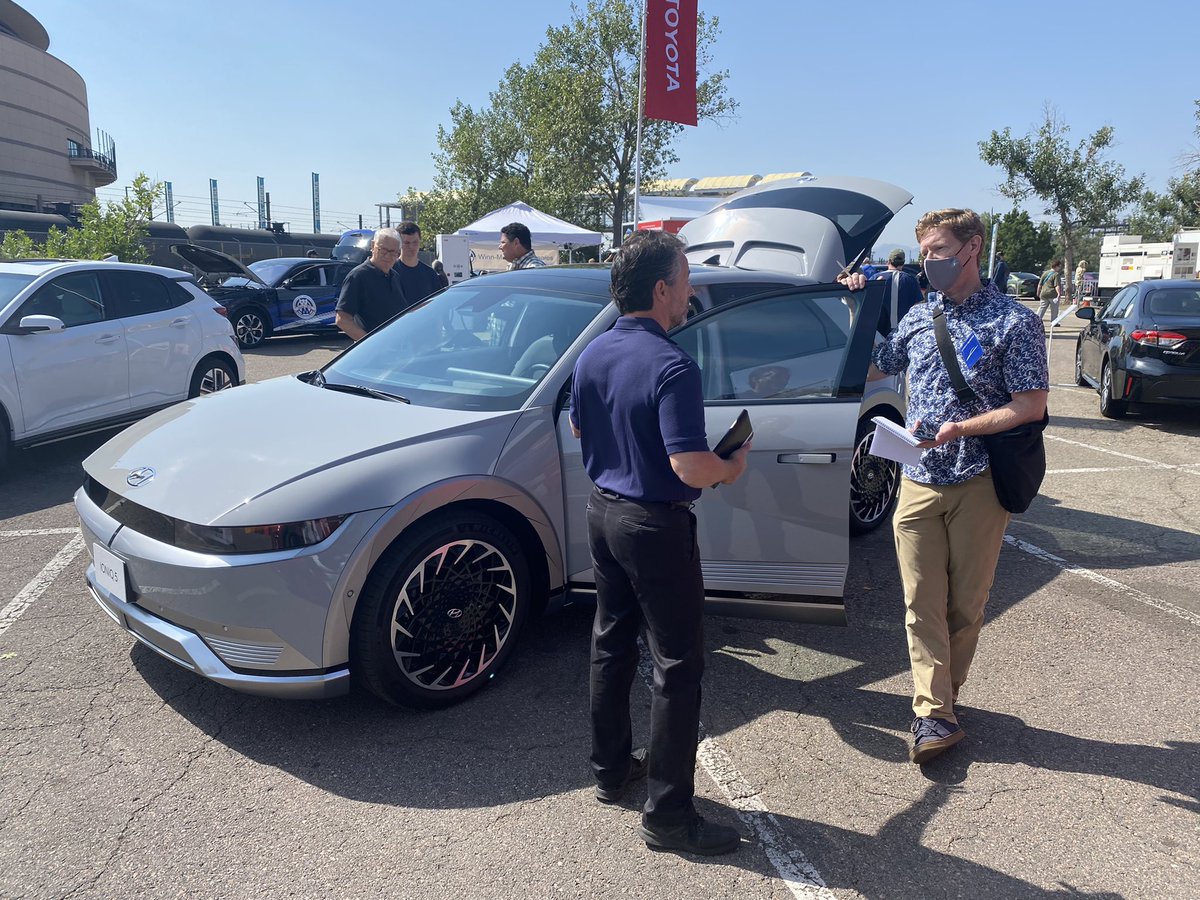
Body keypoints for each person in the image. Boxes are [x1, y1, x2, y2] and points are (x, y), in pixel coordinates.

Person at [842, 208, 1048, 765]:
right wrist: (856, 305)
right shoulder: (917, 315)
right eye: (925, 252)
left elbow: (1029, 406)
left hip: (979, 479)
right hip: (917, 477)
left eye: (938, 249)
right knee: (920, 601)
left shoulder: (1014, 322)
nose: (929, 261)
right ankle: (933, 712)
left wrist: (963, 428)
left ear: (972, 247)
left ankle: (942, 702)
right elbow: (876, 365)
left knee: (966, 604)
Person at [569, 230, 751, 856]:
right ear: (661, 290)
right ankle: (669, 816)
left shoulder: (591, 353)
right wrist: (730, 467)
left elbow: (580, 426)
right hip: (653, 524)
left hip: (602, 512)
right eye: (685, 280)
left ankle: (610, 769)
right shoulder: (673, 364)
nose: (690, 292)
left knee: (611, 642)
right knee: (678, 665)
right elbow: (689, 467)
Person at [334, 227, 408, 341]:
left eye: (393, 252)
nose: (388, 256)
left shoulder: (395, 277)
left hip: (397, 346)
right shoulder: (358, 276)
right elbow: (342, 320)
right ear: (373, 246)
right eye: (383, 250)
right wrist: (371, 342)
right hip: (374, 349)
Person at [872, 248, 923, 336]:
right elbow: (918, 306)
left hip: (877, 332)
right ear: (903, 262)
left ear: (889, 261)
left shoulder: (875, 278)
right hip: (904, 331)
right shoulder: (910, 280)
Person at [392, 221, 442, 304]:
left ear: (420, 242)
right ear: (399, 243)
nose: (411, 247)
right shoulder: (391, 272)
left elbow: (436, 303)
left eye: (415, 242)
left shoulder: (430, 274)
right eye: (407, 243)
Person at [1036, 259, 1063, 324]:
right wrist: (1059, 293)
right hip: (1052, 294)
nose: (1059, 268)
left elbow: (1039, 284)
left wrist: (1038, 293)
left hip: (1044, 293)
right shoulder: (1056, 274)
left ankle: (1036, 320)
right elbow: (1057, 286)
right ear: (1056, 266)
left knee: (1042, 308)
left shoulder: (1045, 273)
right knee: (1054, 309)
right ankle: (1054, 322)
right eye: (1059, 266)